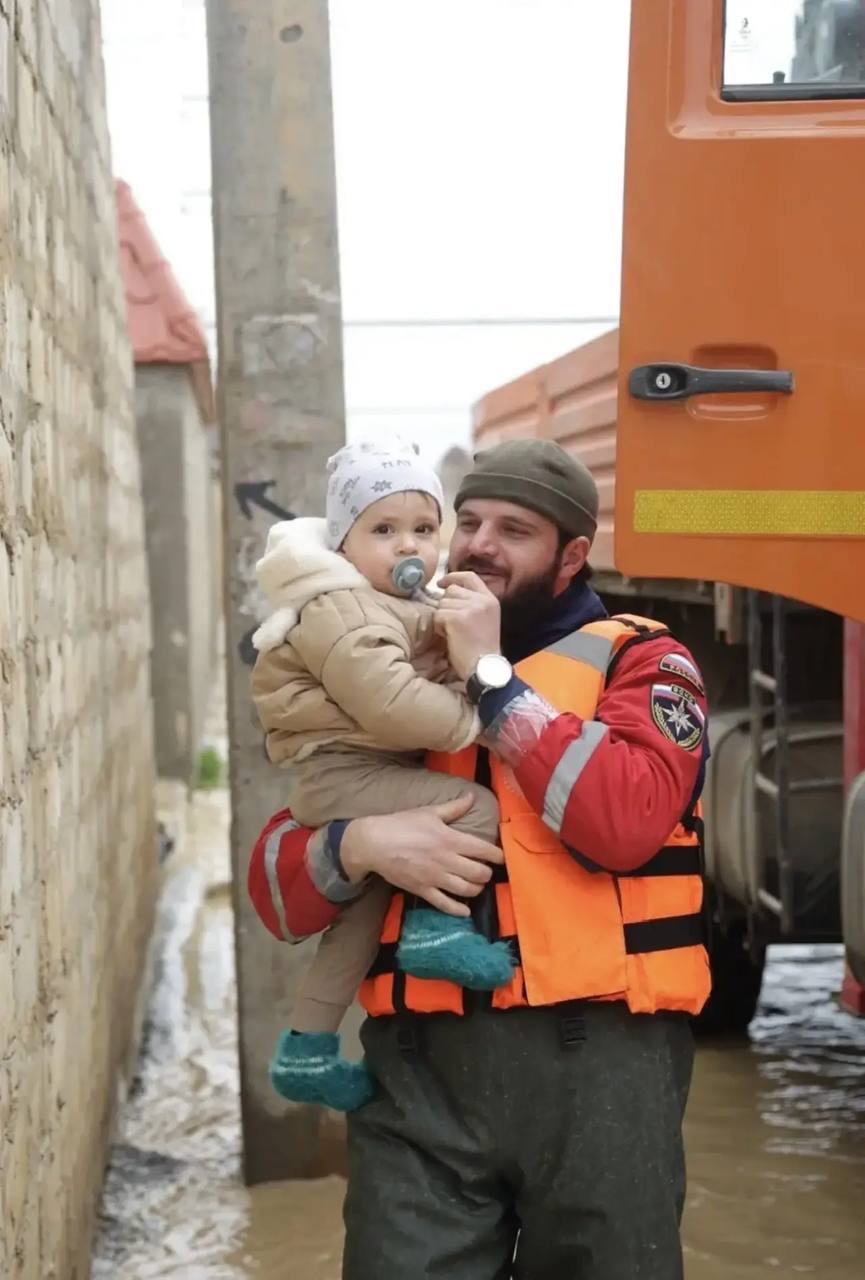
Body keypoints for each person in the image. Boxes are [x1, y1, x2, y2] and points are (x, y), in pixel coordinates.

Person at [249, 438, 711, 1280]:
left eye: (515, 530)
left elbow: (624, 821)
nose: (476, 547)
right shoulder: (384, 660)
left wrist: (491, 678)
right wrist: (355, 845)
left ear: (572, 556)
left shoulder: (643, 660)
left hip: (602, 1075)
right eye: (466, 522)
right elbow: (277, 895)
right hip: (418, 1079)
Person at [251, 438, 511, 1112]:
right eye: (384, 530)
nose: (408, 548)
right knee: (468, 804)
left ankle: (305, 1051)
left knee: (359, 917)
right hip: (345, 772)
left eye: (424, 530)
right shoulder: (338, 609)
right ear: (343, 544)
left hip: (359, 770)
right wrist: (478, 719)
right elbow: (390, 703)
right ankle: (436, 932)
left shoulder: (389, 600)